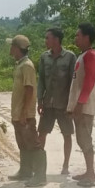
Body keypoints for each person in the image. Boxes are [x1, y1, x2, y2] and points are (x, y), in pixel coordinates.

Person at [36, 27, 77, 176]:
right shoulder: (44, 57)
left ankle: (65, 166)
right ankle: (39, 166)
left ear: (56, 40)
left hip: (64, 104)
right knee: (42, 133)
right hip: (48, 103)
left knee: (67, 134)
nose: (45, 40)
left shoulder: (70, 57)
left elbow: (74, 82)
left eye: (48, 38)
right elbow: (41, 80)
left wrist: (72, 104)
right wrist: (39, 100)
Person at [6, 35, 45, 187]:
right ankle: (25, 171)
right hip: (18, 114)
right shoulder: (20, 64)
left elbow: (29, 89)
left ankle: (40, 175)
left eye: (12, 46)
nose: (10, 49)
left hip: (25, 115)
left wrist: (23, 113)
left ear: (17, 48)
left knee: (33, 144)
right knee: (22, 143)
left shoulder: (27, 65)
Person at [66, 22, 95, 187]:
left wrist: (80, 104)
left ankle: (91, 174)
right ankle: (88, 171)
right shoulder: (83, 55)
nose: (75, 38)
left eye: (78, 35)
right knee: (81, 138)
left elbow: (89, 82)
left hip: (85, 107)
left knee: (85, 138)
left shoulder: (91, 56)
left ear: (87, 37)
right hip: (80, 106)